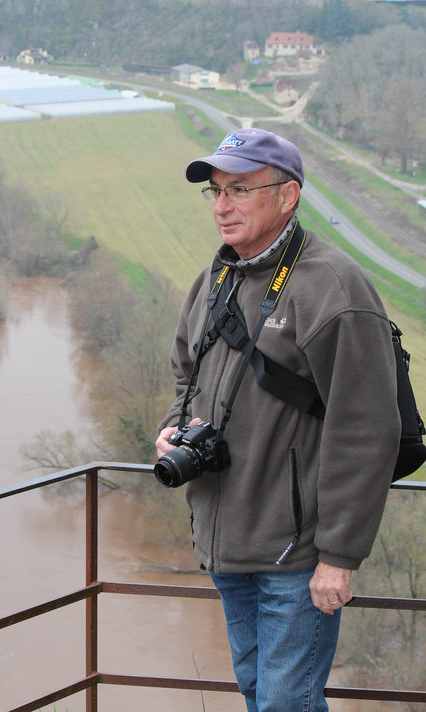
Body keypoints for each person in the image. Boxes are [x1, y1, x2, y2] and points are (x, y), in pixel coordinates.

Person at [155, 128, 401, 712]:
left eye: (239, 190)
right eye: (215, 192)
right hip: (225, 542)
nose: (221, 207)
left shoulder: (332, 287)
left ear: (287, 196)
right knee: (259, 694)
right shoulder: (217, 277)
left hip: (297, 557)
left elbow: (368, 430)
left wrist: (339, 557)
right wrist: (174, 426)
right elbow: (185, 372)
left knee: (285, 704)